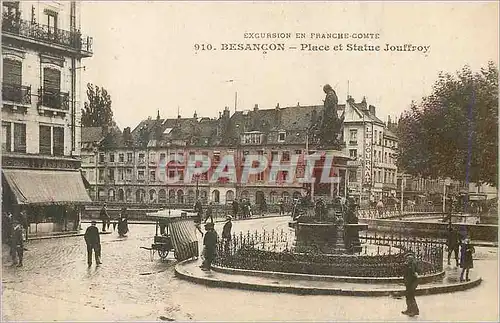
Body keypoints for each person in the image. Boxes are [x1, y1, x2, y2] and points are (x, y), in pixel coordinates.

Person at [402, 251, 419, 317]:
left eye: (408, 259)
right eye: (406, 259)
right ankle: (409, 310)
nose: (406, 260)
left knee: (411, 297)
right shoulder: (408, 265)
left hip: (412, 284)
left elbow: (414, 274)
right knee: (408, 297)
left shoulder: (412, 266)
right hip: (408, 283)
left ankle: (414, 311)